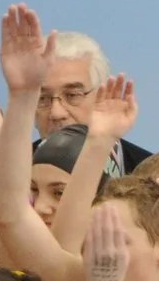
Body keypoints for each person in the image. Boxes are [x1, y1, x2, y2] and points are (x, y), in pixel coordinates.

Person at [34, 30, 148, 174]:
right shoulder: (11, 173)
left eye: (72, 95)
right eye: (42, 98)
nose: (56, 113)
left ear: (104, 95)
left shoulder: (154, 177)